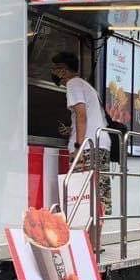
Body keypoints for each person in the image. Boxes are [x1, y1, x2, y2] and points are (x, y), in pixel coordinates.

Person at [51, 52, 112, 247]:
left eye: (55, 69)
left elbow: (81, 114)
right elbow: (86, 118)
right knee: (97, 194)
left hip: (88, 147)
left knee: (83, 195)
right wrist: (71, 131)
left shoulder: (73, 84)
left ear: (63, 69)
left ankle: (87, 243)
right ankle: (95, 242)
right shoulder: (86, 86)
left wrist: (78, 145)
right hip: (99, 144)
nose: (54, 73)